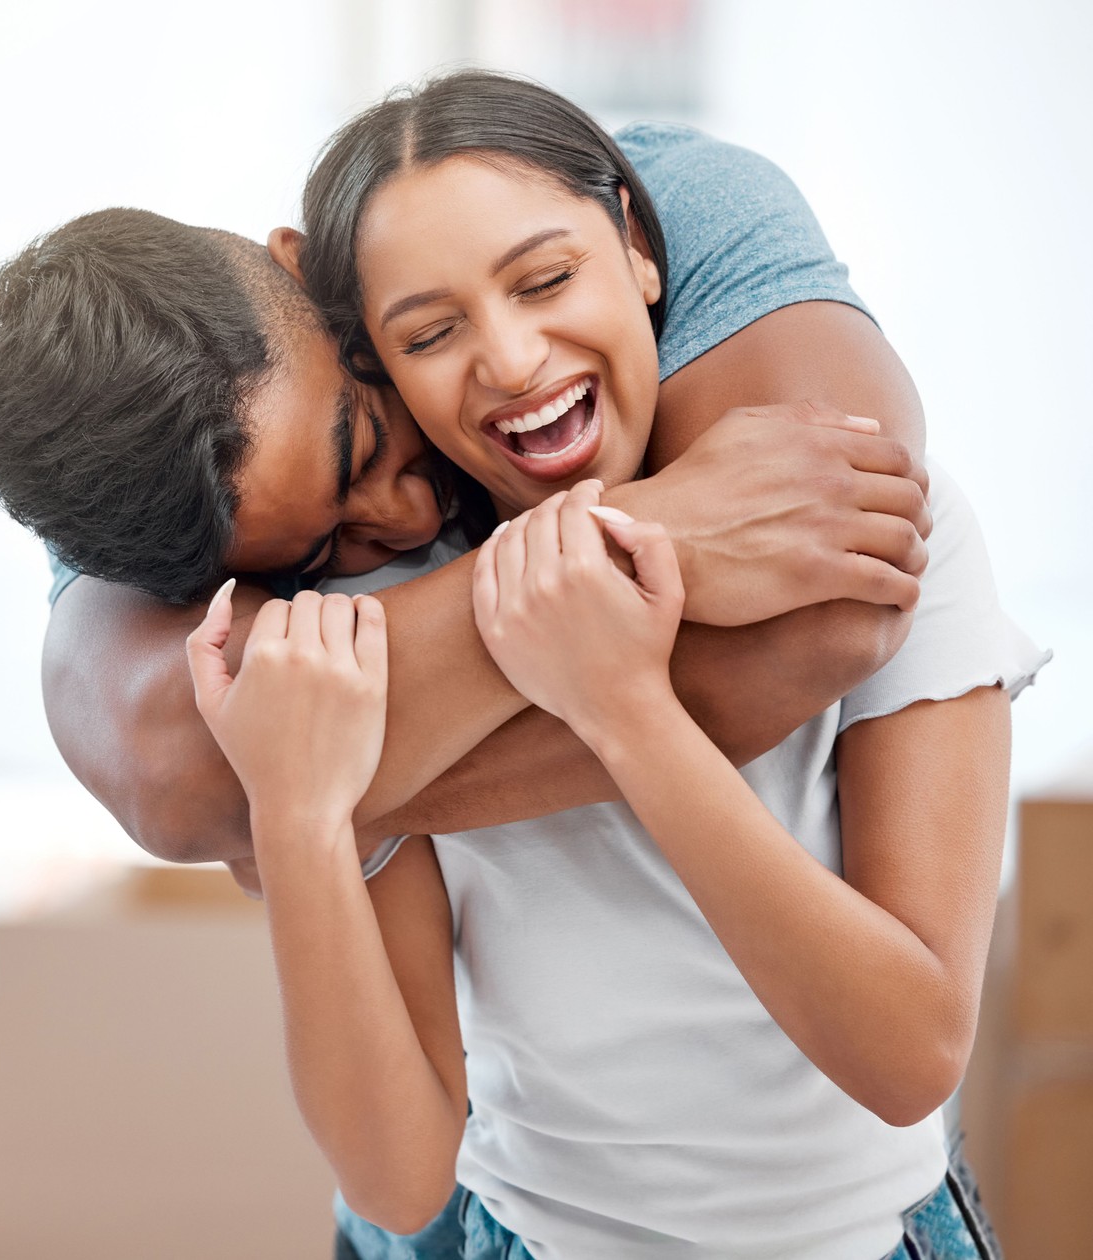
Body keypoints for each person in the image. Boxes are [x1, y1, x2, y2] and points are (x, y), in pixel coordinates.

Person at [184, 70, 1044, 1258]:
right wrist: (295, 813)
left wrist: (627, 709)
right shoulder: (372, 629)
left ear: (638, 248)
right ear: (375, 366)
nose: (514, 357)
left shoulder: (877, 519)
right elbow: (393, 1178)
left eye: (546, 279)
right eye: (430, 333)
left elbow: (908, 1057)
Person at [0, 108, 936, 900]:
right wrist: (657, 532)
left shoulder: (674, 204)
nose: (407, 524)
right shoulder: (132, 474)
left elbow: (834, 593)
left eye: (365, 442)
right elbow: (177, 787)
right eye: (332, 550)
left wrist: (310, 793)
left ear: (305, 272)